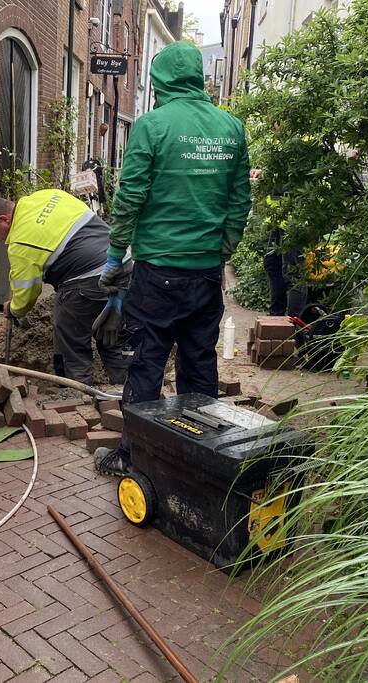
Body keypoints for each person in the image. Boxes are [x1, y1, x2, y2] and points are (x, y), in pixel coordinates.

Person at [95, 42, 252, 475]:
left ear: (162, 82)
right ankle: (198, 463)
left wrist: (113, 257)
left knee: (146, 365)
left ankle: (134, 459)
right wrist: (222, 251)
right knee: (200, 366)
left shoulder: (151, 126)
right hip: (205, 276)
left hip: (158, 274)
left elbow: (130, 199)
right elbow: (240, 201)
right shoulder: (231, 127)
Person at [0, 190, 132, 385]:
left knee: (72, 340)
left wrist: (12, 308)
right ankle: (127, 394)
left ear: (4, 220)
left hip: (87, 279)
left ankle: (79, 397)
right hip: (123, 266)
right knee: (111, 335)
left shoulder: (19, 242)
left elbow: (27, 294)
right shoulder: (46, 196)